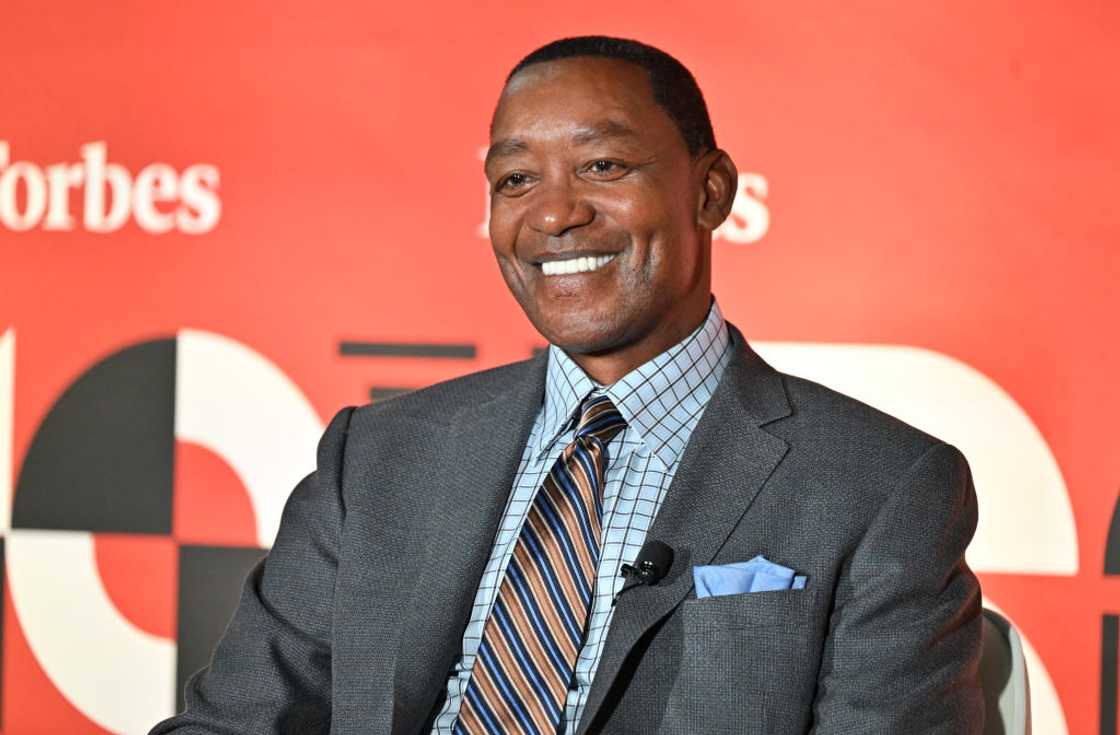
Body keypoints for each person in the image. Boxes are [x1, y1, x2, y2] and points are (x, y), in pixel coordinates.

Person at [151, 36, 983, 734]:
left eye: (603, 165)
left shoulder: (881, 486)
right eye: (515, 180)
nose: (553, 214)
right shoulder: (377, 457)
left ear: (711, 190)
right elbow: (235, 721)